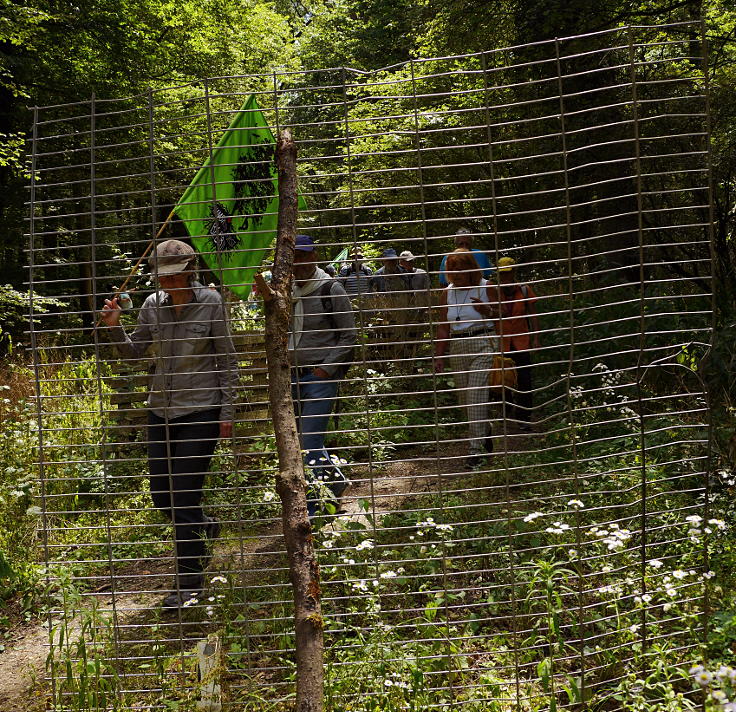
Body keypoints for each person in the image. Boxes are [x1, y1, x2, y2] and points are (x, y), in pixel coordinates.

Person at [101, 239, 238, 609]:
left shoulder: (211, 303)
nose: (169, 283)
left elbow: (227, 359)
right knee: (164, 497)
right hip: (160, 410)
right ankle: (205, 526)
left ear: (191, 271)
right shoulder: (151, 306)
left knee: (182, 495)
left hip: (201, 410)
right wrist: (115, 326)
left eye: (176, 277)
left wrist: (226, 412)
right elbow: (133, 352)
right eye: (164, 277)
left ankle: (190, 582)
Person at [290, 235, 357, 517]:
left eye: (304, 256)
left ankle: (316, 506)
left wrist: (325, 368)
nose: (300, 262)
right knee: (301, 442)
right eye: (294, 257)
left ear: (314, 256)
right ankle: (337, 482)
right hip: (290, 377)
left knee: (309, 442)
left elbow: (349, 335)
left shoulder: (331, 288)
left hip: (319, 377)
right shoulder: (284, 291)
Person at [433, 249, 499, 470]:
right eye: (452, 269)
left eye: (461, 268)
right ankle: (484, 430)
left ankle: (476, 451)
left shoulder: (486, 286)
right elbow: (443, 327)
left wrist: (486, 310)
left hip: (483, 341)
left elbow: (502, 315)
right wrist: (439, 355)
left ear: (471, 268)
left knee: (476, 395)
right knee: (465, 400)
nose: (457, 273)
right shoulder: (447, 293)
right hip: (458, 345)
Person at [494, 256, 540, 429]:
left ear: (513, 272)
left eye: (507, 273)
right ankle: (504, 411)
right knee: (501, 379)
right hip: (501, 343)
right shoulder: (493, 291)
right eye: (502, 274)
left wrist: (536, 338)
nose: (504, 277)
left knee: (525, 379)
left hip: (521, 341)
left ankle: (524, 417)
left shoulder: (525, 290)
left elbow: (533, 315)